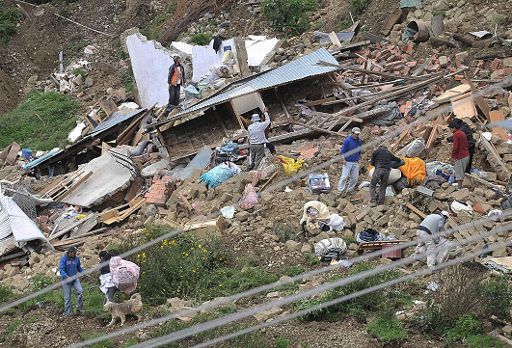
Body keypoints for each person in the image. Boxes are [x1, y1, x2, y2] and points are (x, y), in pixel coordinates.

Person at [59, 246, 84, 316]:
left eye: (76, 253)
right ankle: (68, 313)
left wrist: (84, 272)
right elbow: (61, 270)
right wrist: (67, 277)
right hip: (66, 281)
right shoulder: (64, 259)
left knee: (80, 291)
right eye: (74, 253)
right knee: (67, 298)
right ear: (69, 252)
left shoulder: (76, 258)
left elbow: (79, 268)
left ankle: (79, 309)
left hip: (74, 279)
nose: (75, 254)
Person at [338, 127, 363, 194]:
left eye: (358, 134)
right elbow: (343, 151)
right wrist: (343, 159)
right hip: (347, 161)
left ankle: (350, 190)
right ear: (352, 133)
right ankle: (340, 190)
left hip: (355, 161)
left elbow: (359, 151)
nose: (357, 136)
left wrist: (359, 158)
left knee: (354, 178)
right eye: (356, 134)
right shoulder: (347, 140)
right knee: (344, 176)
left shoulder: (359, 141)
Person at [448, 120, 470, 187]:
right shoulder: (461, 132)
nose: (450, 130)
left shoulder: (456, 134)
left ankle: (460, 188)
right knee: (462, 172)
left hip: (461, 156)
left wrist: (452, 156)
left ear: (454, 128)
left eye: (450, 128)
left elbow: (455, 147)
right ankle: (463, 187)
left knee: (459, 174)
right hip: (466, 155)